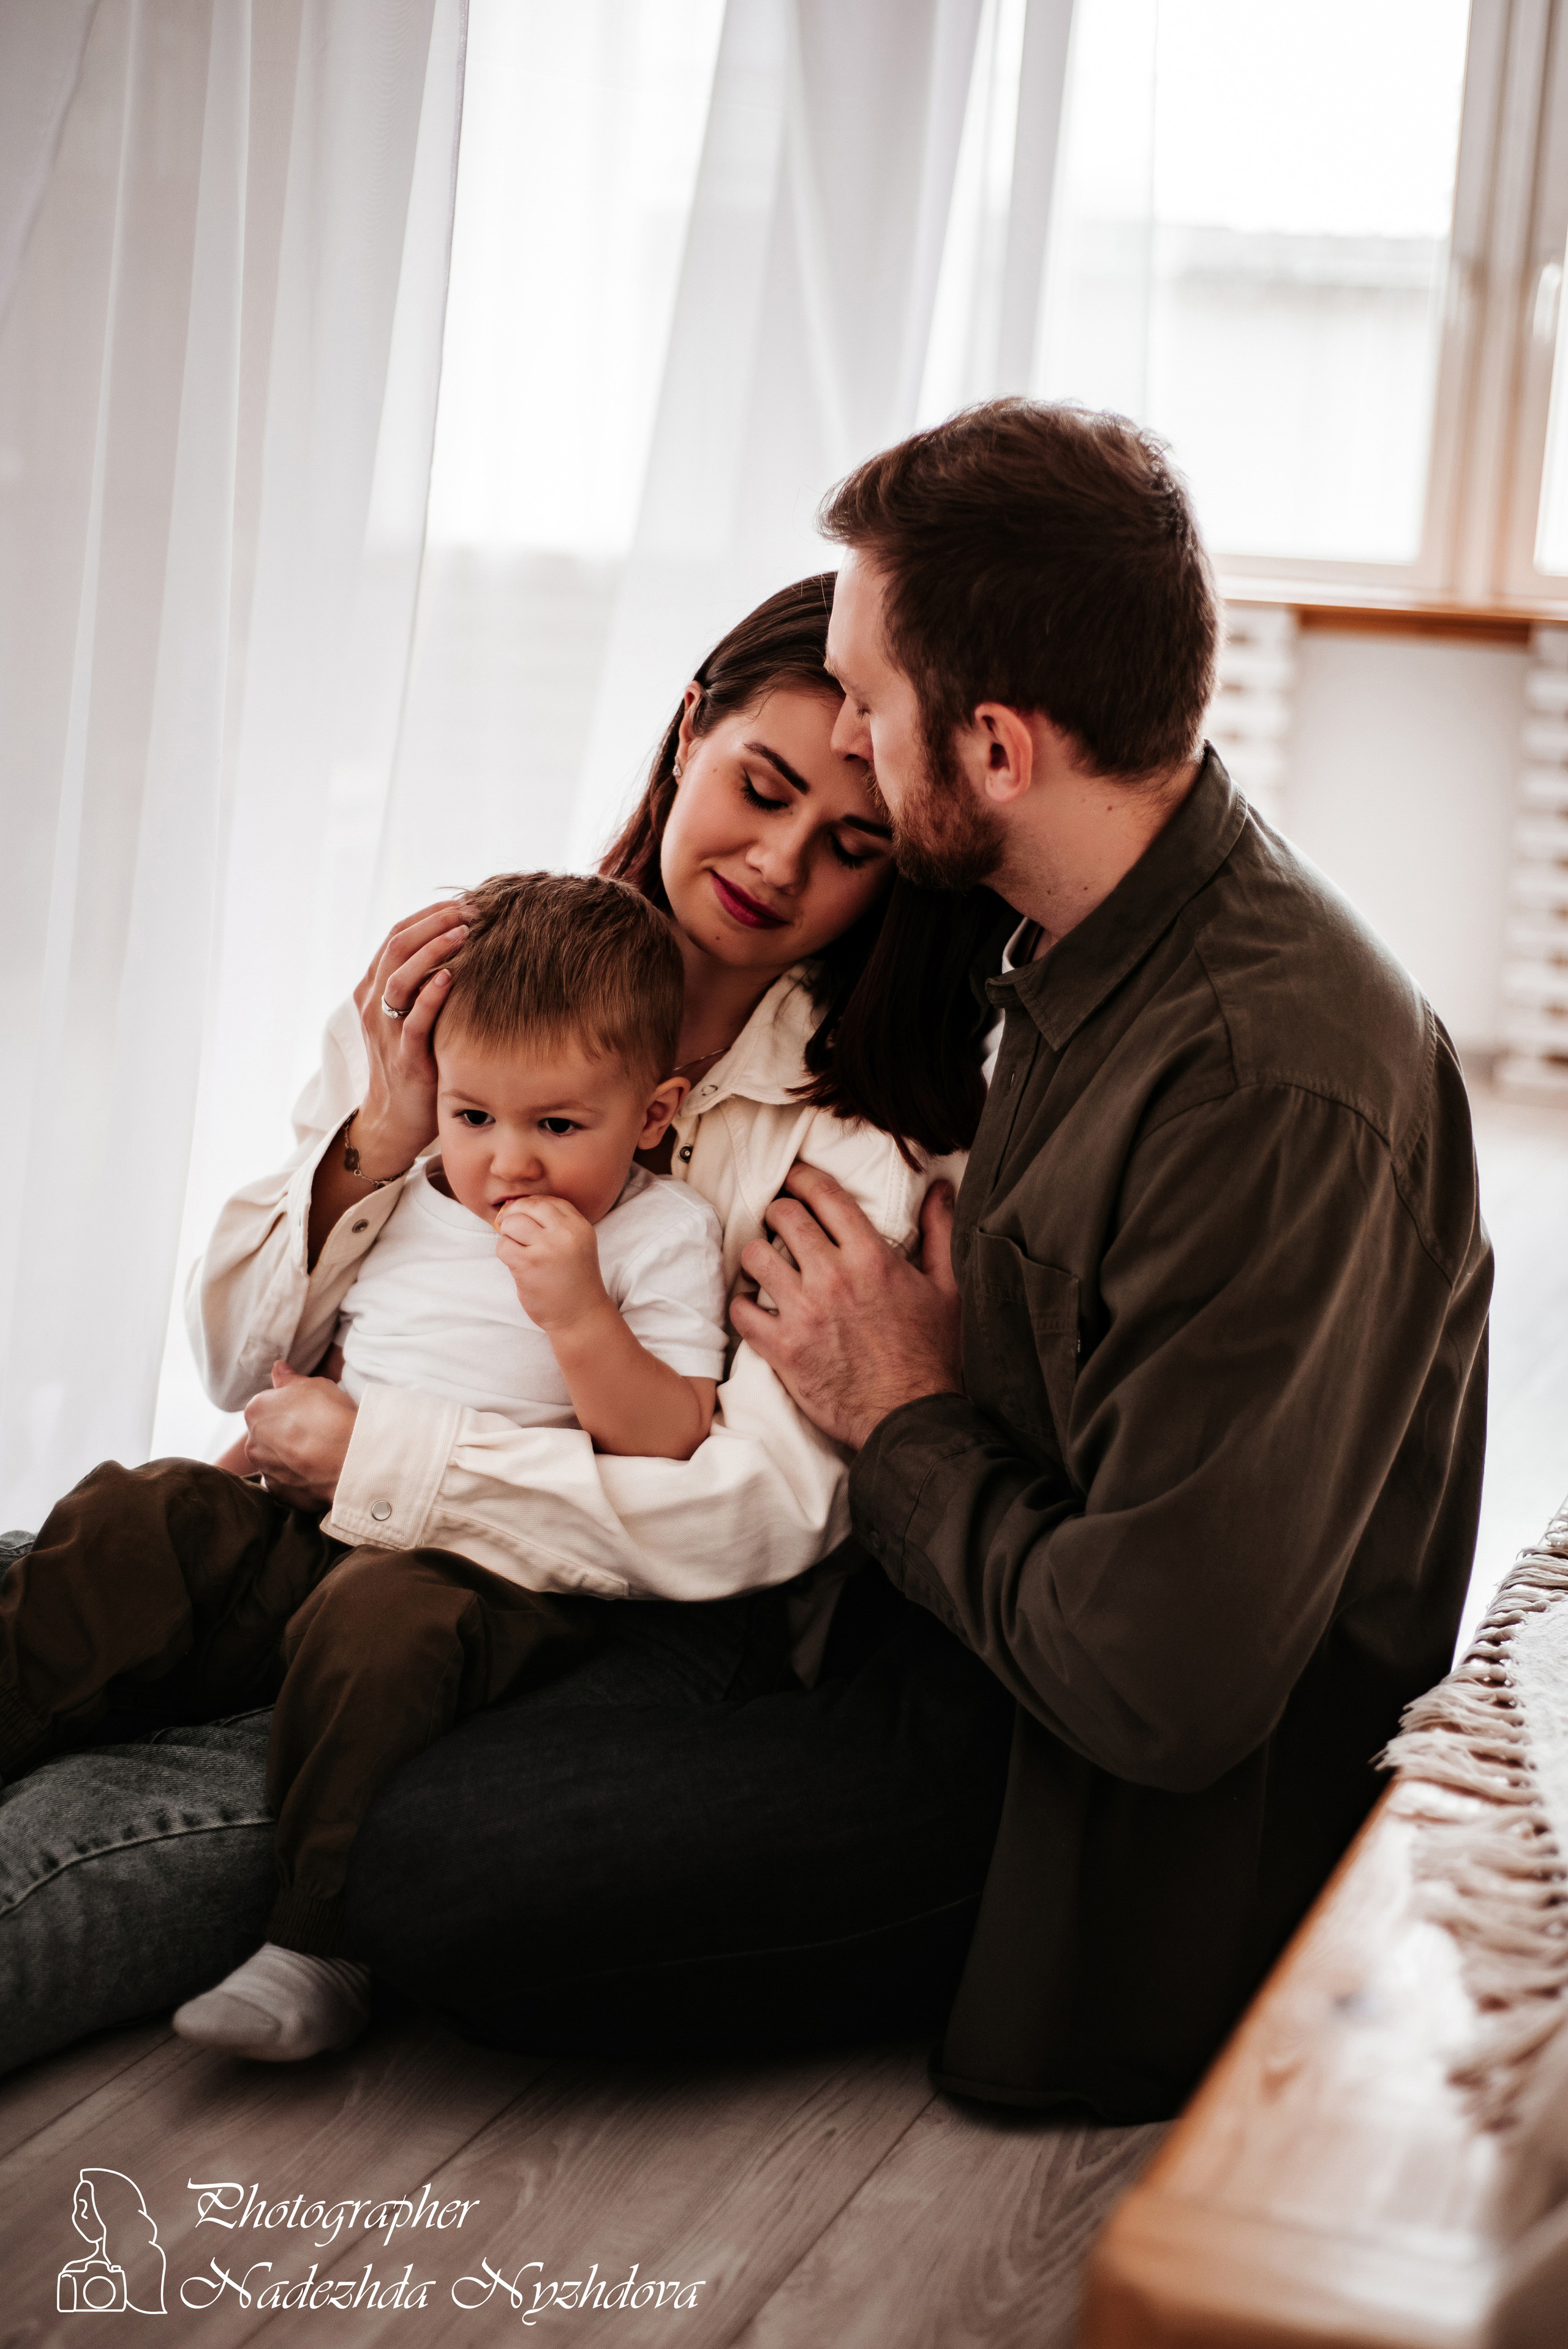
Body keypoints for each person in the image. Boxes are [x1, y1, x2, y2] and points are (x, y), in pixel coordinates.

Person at [0, 575, 998, 2076]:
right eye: (762, 787)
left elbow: (744, 1516)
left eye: (847, 846)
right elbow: (230, 1361)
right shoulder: (462, 985)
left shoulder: (841, 1153)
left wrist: (380, 1453)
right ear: (687, 731)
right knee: (102, 1544)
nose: (778, 863)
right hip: (309, 1518)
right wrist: (381, 1139)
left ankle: (309, 1930)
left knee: (86, 1841)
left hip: (557, 1620)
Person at [1, 871, 731, 2060]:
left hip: (481, 1570)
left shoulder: (656, 1233)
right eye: (473, 1115)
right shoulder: (410, 1190)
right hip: (314, 1522)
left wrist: (580, 1317)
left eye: (557, 1127)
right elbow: (270, 1350)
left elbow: (665, 1444)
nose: (506, 1165)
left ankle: (316, 1942)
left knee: (379, 1629)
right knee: (151, 1510)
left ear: (652, 1115)